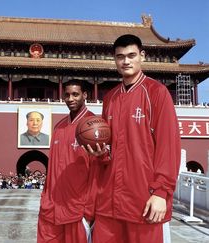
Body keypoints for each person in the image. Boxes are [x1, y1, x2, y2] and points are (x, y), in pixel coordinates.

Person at [87, 34, 181, 243]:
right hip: (109, 202)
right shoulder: (110, 98)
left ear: (142, 56)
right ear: (114, 59)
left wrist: (161, 192)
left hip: (143, 201)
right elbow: (110, 148)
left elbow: (169, 146)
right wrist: (101, 154)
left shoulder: (157, 92)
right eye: (120, 56)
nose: (126, 61)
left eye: (131, 55)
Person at [37, 79, 102, 243]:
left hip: (77, 211)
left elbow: (97, 173)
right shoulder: (59, 127)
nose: (70, 99)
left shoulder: (95, 127)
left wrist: (89, 211)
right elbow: (52, 168)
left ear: (85, 95)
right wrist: (45, 199)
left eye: (75, 94)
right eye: (67, 95)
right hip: (51, 209)